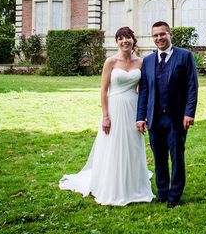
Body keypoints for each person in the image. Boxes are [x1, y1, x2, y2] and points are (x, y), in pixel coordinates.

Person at [59, 26, 154, 206]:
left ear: (133, 40)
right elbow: (103, 90)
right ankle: (112, 185)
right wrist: (105, 116)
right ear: (116, 41)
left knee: (132, 145)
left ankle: (133, 184)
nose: (124, 41)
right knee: (114, 145)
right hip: (114, 107)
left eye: (127, 38)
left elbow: (143, 90)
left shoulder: (141, 63)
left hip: (133, 108)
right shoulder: (110, 62)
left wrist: (143, 114)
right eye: (120, 38)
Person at [137, 21, 198, 208]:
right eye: (155, 35)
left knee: (177, 157)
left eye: (162, 34)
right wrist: (140, 116)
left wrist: (189, 113)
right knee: (159, 158)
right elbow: (144, 91)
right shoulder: (147, 61)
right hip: (154, 118)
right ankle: (162, 193)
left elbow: (192, 87)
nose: (159, 38)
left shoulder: (185, 56)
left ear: (170, 35)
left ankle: (175, 196)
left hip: (176, 117)